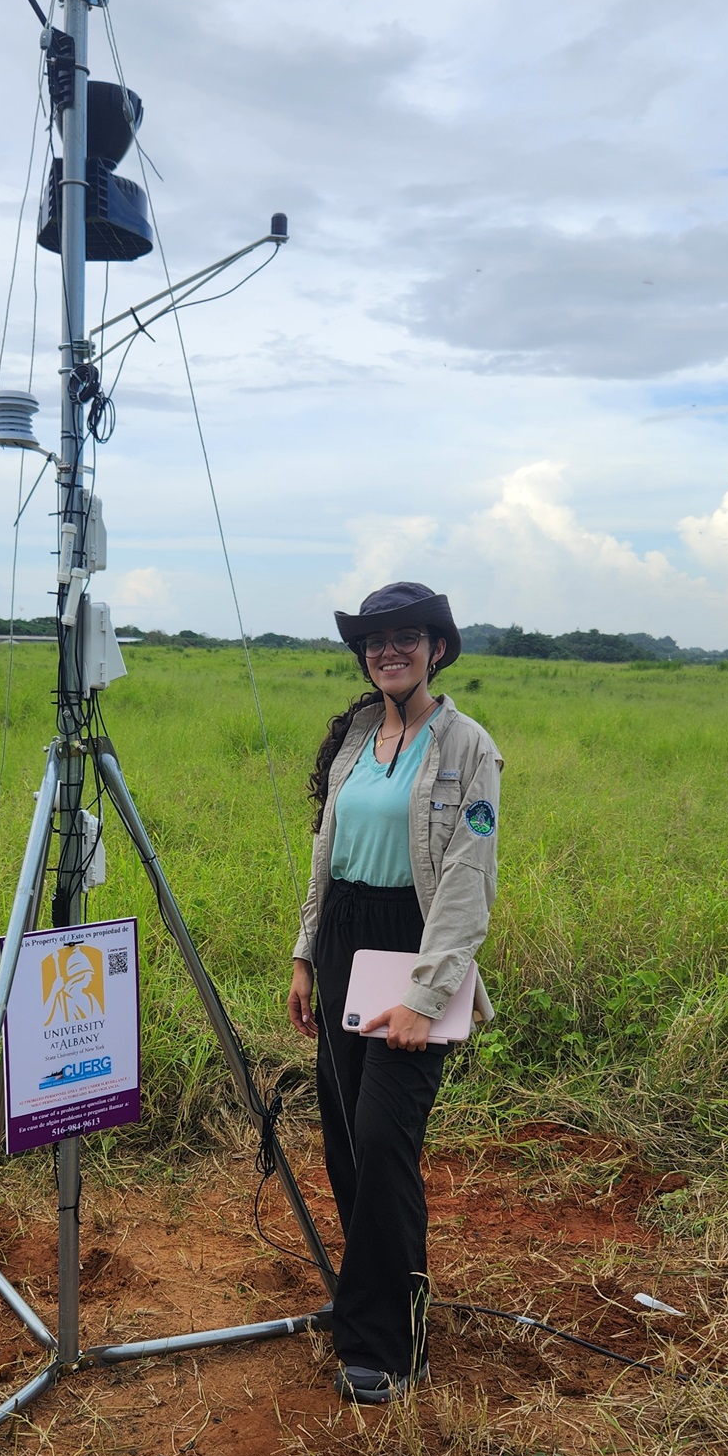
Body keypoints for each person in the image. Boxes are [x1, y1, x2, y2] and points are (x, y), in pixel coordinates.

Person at [288, 581, 502, 1404]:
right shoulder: (353, 736)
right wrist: (307, 953)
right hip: (344, 941)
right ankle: (373, 1299)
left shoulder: (466, 746)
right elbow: (325, 853)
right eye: (376, 639)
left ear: (436, 649)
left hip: (415, 949)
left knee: (385, 1138)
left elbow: (466, 876)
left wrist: (427, 992)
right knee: (345, 1137)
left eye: (407, 637)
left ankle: (386, 1344)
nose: (390, 650)